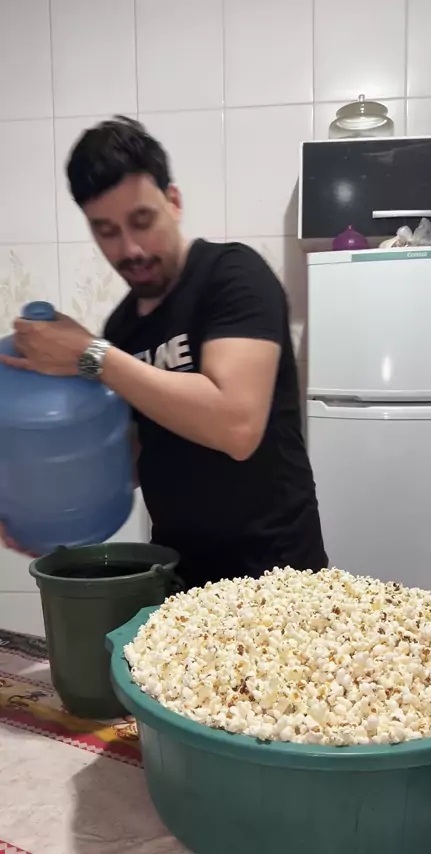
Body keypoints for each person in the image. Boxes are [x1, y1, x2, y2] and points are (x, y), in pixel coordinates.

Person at [0, 116, 327, 588]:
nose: (130, 248)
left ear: (173, 202)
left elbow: (237, 426)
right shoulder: (122, 328)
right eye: (106, 230)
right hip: (179, 575)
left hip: (276, 576)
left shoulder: (232, 275)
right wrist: (38, 508)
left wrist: (92, 356)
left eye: (141, 221)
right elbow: (137, 454)